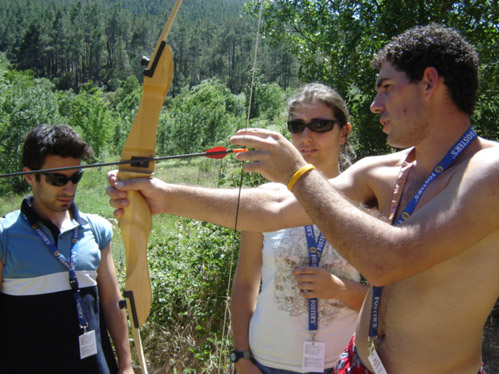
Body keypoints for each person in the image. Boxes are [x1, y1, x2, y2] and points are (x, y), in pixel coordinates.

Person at [107, 24, 498, 373]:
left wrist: (296, 173)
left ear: (429, 83)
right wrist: (163, 196)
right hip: (357, 365)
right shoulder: (386, 169)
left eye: (386, 87)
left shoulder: (488, 169)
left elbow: (388, 260)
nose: (375, 104)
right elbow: (276, 208)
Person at [231, 84, 367, 374]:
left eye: (320, 125)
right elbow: (244, 284)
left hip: (343, 364)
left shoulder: (367, 201)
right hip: (268, 363)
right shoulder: (265, 200)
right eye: (297, 126)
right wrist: (241, 357)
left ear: (344, 133)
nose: (306, 137)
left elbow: (391, 298)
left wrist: (340, 289)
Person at [0, 125, 134, 374]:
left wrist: (126, 365)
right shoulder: (4, 236)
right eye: (58, 179)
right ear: (29, 176)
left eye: (76, 177)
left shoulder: (97, 230)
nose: (69, 188)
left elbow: (111, 302)